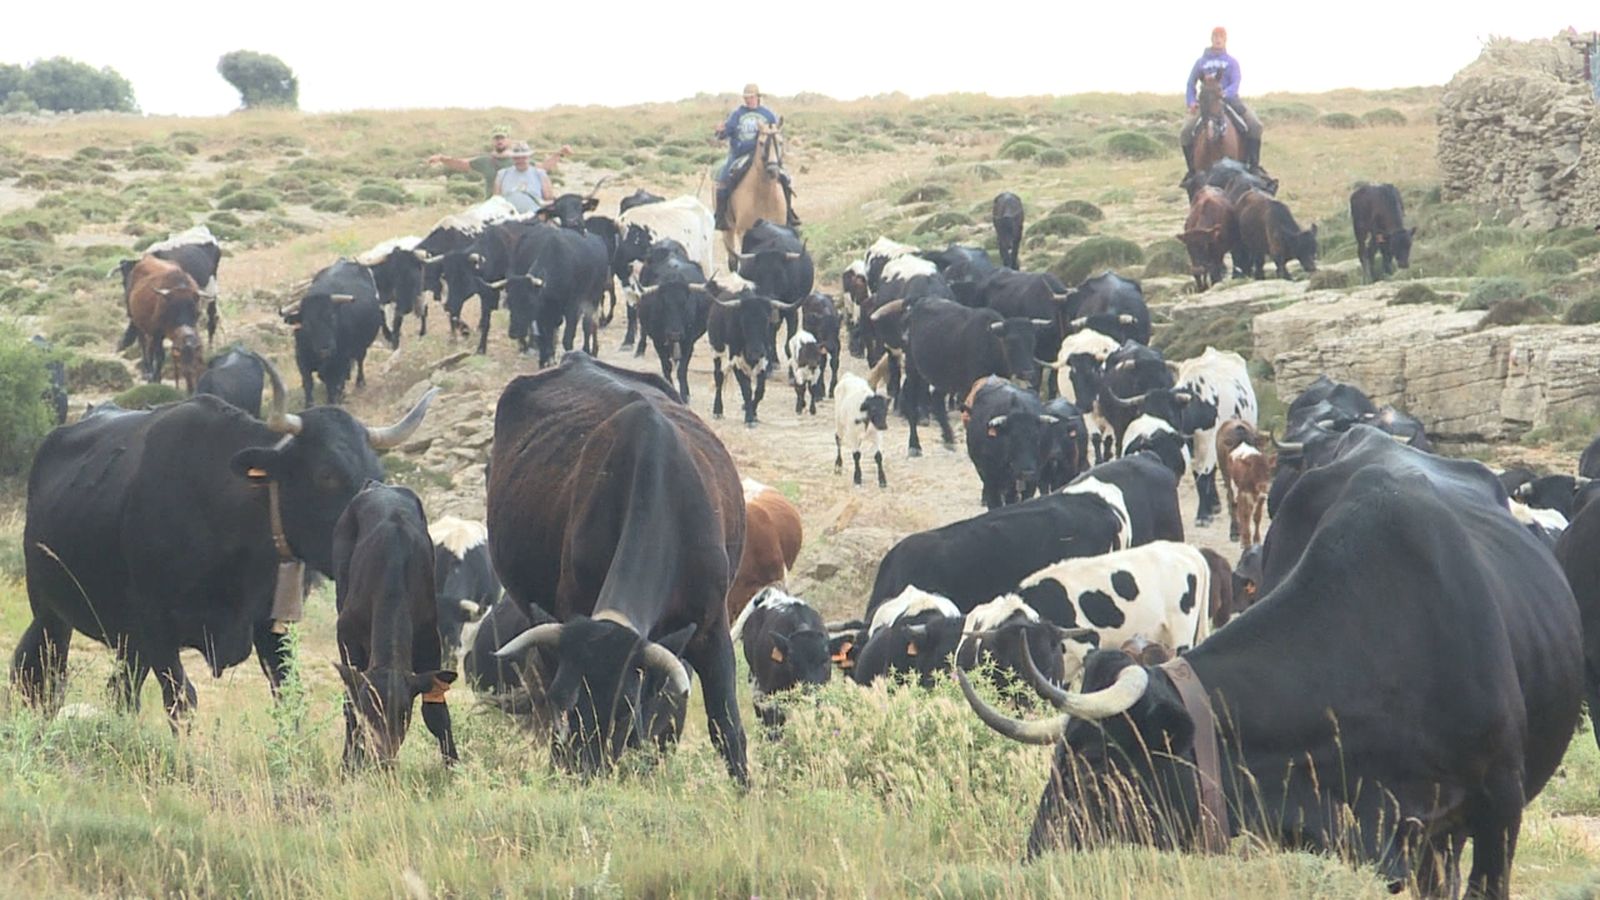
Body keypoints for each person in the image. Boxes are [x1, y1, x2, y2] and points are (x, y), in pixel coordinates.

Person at [713, 83, 798, 229]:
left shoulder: (767, 114)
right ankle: (721, 216)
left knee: (785, 177)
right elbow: (727, 131)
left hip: (764, 153)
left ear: (758, 97)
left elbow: (775, 131)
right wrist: (721, 131)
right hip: (740, 152)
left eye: (751, 97)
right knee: (723, 177)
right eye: (746, 98)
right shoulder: (737, 114)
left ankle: (788, 214)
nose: (748, 101)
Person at [1180, 27, 1264, 173]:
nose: (1218, 39)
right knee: (1186, 132)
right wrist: (1191, 102)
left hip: (1230, 100)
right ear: (1211, 39)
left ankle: (1253, 166)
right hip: (1207, 102)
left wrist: (1224, 94)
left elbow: (1236, 82)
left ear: (1225, 40)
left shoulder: (1232, 62)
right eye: (1215, 36)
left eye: (1221, 37)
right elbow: (1190, 83)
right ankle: (1192, 172)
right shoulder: (1201, 62)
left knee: (1255, 125)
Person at [428, 127, 571, 198]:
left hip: (514, 206)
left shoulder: (518, 158)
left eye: (502, 138)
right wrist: (442, 159)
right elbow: (461, 164)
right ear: (492, 141)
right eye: (496, 138)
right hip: (492, 206)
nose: (499, 141)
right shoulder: (485, 161)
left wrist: (560, 154)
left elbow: (542, 167)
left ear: (508, 140)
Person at [494, 142, 554, 213]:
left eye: (523, 157)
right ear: (512, 158)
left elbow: (549, 200)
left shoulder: (540, 174)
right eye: (517, 158)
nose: (520, 160)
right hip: (508, 218)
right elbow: (496, 200)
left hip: (534, 218)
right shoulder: (502, 174)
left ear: (529, 157)